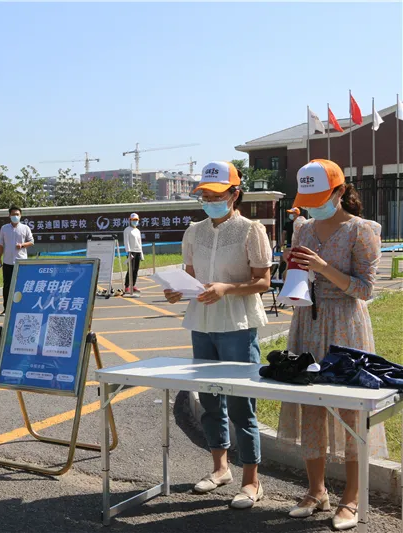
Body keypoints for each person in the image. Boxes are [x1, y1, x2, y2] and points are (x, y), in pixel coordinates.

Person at [278, 160, 386, 531]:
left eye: (320, 196)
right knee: (311, 408)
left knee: (351, 411)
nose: (312, 205)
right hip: (307, 324)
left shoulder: (363, 230)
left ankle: (352, 498)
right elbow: (299, 281)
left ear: (340, 192)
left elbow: (366, 290)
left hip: (346, 327)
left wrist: (323, 267)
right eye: (307, 198)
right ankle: (316, 491)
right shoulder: (303, 229)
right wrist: (291, 268)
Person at [164, 161, 272, 509]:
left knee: (242, 402)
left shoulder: (250, 230)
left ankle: (252, 480)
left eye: (215, 195)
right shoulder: (193, 232)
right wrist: (177, 291)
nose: (208, 200)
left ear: (234, 194)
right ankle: (220, 468)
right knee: (210, 400)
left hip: (237, 325)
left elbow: (263, 281)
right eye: (203, 195)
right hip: (202, 322)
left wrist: (227, 287)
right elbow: (191, 276)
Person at [0, 206, 34, 313]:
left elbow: (31, 241)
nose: (15, 216)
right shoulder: (4, 228)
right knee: (7, 286)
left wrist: (22, 245)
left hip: (21, 262)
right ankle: (6, 308)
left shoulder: (25, 228)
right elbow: (0, 244)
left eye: (17, 214)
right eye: (13, 214)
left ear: (20, 215)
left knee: (22, 284)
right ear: (9, 215)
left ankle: (22, 306)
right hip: (8, 261)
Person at [122, 213, 144, 294]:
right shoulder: (127, 230)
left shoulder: (137, 231)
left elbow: (139, 242)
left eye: (136, 220)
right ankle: (127, 286)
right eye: (133, 220)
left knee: (136, 270)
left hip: (138, 251)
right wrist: (128, 252)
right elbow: (126, 242)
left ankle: (133, 285)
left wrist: (141, 253)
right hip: (131, 251)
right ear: (130, 220)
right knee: (131, 269)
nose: (135, 222)